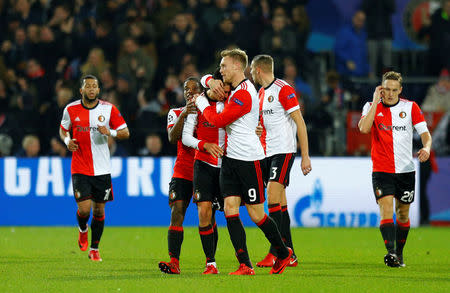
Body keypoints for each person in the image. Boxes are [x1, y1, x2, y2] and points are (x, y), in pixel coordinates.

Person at [196, 48, 292, 275]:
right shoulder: (234, 89)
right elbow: (204, 78)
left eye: (224, 66)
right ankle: (245, 264)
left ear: (238, 66)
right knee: (230, 210)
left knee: (257, 214)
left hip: (249, 161)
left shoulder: (244, 93)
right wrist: (208, 81)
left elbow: (218, 120)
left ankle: (283, 251)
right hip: (229, 160)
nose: (221, 70)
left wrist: (201, 101)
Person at [358, 71, 432, 267]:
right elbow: (364, 128)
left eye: (393, 90)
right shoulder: (370, 106)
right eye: (386, 90)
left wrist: (426, 147)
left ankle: (399, 253)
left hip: (406, 171)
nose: (390, 94)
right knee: (386, 209)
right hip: (382, 170)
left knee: (403, 214)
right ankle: (391, 253)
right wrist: (375, 101)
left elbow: (425, 133)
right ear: (381, 89)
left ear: (400, 90)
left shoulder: (410, 107)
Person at [249, 54, 311, 268]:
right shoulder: (260, 94)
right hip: (266, 152)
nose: (250, 74)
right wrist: (258, 130)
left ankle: (277, 251)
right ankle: (289, 253)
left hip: (283, 151)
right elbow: (264, 124)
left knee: (272, 198)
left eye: (251, 70)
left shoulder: (283, 89)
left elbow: (300, 123)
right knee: (281, 204)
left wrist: (305, 156)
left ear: (258, 70)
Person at [60, 75, 130, 262]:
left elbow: (125, 132)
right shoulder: (71, 109)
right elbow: (63, 129)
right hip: (80, 168)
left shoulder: (108, 109)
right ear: (81, 90)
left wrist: (110, 132)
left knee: (99, 211)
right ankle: (83, 229)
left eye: (94, 86)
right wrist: (67, 141)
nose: (91, 89)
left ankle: (95, 248)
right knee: (84, 210)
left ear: (99, 90)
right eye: (87, 86)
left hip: (102, 169)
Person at [181, 71, 227, 275]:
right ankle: (211, 263)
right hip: (203, 164)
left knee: (232, 213)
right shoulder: (199, 103)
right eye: (217, 87)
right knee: (204, 211)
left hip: (227, 166)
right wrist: (204, 145)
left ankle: (243, 259)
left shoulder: (233, 103)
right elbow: (185, 137)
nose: (221, 91)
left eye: (224, 88)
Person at [158, 77, 201, 274]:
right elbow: (171, 137)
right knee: (177, 213)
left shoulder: (209, 113)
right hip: (182, 172)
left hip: (204, 171)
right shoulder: (175, 112)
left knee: (208, 217)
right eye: (186, 89)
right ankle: (174, 262)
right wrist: (184, 115)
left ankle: (211, 262)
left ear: (201, 91)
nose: (190, 92)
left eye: (194, 88)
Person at [334, 10, 371, 78]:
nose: (361, 22)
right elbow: (338, 49)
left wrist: (368, 70)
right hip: (346, 73)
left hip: (361, 74)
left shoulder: (363, 34)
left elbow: (364, 55)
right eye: (359, 19)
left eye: (363, 20)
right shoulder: (344, 32)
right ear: (353, 18)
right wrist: (347, 60)